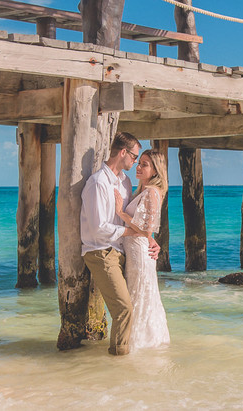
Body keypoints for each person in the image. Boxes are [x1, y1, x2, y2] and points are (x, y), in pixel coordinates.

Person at [80, 131, 158, 355]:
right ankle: (118, 361)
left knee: (133, 303)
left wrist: (150, 239)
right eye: (134, 157)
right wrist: (130, 233)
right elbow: (98, 228)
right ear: (123, 153)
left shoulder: (125, 183)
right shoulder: (98, 184)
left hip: (121, 251)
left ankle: (122, 358)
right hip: (100, 252)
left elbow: (137, 219)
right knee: (124, 309)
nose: (135, 163)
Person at [113, 148, 170, 350]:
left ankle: (139, 343)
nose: (138, 167)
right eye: (139, 163)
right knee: (139, 294)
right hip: (137, 250)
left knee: (139, 295)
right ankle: (141, 342)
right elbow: (148, 231)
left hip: (139, 253)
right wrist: (152, 239)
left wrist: (120, 212)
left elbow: (144, 228)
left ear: (155, 171)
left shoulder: (152, 192)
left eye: (144, 164)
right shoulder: (144, 191)